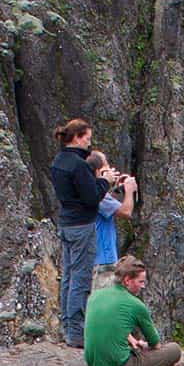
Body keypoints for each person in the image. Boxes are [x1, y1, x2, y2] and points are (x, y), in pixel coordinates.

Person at [48, 118, 108, 349]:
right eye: (87, 139)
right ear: (78, 137)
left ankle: (66, 326)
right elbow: (91, 197)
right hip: (82, 225)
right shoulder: (79, 165)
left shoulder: (59, 161)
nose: (89, 144)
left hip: (66, 223)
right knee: (81, 278)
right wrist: (104, 181)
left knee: (69, 276)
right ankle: (76, 332)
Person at [84, 255, 181, 366]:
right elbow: (155, 344)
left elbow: (106, 324)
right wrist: (145, 346)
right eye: (140, 282)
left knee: (129, 345)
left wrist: (129, 338)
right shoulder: (136, 304)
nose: (143, 286)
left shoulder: (95, 296)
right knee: (174, 350)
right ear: (127, 280)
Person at [84, 150, 137, 290]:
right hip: (103, 263)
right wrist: (130, 190)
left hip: (90, 260)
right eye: (106, 165)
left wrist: (114, 188)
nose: (110, 169)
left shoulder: (85, 189)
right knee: (103, 305)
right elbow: (126, 212)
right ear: (98, 171)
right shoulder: (97, 194)